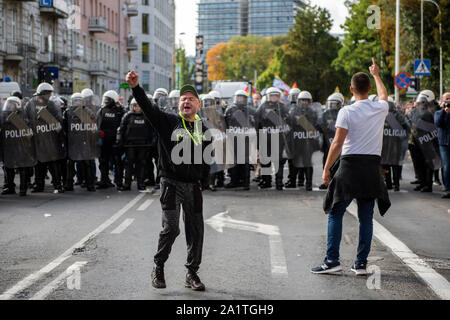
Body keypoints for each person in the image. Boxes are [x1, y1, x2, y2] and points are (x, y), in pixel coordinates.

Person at [127, 70, 210, 291]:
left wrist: (204, 181)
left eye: (191, 99)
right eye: (183, 99)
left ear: (198, 106)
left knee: (196, 230)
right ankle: (158, 266)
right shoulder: (168, 122)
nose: (187, 102)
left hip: (193, 186)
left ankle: (192, 273)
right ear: (179, 105)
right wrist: (136, 88)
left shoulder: (203, 130)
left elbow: (207, 159)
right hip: (170, 183)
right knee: (171, 228)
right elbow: (148, 108)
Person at [312, 58, 391, 276]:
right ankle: (361, 264)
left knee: (336, 211)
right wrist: (376, 74)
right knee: (366, 215)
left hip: (350, 165)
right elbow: (384, 95)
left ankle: (332, 260)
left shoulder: (346, 111)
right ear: (369, 89)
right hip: (371, 167)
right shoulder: (380, 108)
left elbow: (337, 143)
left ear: (351, 89)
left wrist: (327, 168)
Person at [25, 83, 65, 193]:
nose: (49, 95)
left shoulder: (52, 104)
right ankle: (39, 185)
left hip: (50, 138)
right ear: (42, 93)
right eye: (48, 93)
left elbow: (58, 121)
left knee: (53, 163)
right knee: (39, 163)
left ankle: (57, 185)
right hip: (37, 138)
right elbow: (26, 119)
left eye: (50, 93)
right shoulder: (30, 104)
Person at [117, 98, 154, 191]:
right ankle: (127, 184)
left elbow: (152, 130)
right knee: (128, 164)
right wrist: (120, 141)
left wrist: (153, 141)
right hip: (130, 145)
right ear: (132, 107)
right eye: (135, 106)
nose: (137, 108)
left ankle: (141, 183)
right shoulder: (127, 116)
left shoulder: (147, 116)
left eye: (138, 106)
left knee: (141, 164)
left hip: (143, 144)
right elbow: (121, 129)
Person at [96, 90, 125, 190]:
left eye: (108, 99)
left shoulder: (120, 111)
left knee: (117, 162)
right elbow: (97, 125)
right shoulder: (101, 110)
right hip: (104, 141)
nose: (106, 101)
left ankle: (119, 182)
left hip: (115, 141)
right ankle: (104, 180)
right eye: (105, 99)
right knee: (103, 161)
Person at [434, 92, 450, 198]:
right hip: (444, 143)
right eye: (447, 99)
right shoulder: (439, 113)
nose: (449, 100)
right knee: (446, 166)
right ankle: (448, 188)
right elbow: (438, 123)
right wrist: (445, 112)